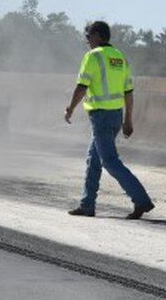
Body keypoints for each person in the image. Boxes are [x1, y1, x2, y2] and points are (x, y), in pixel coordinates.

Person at [64, 21, 155, 219]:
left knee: (110, 162)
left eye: (88, 35)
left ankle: (141, 200)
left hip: (101, 116)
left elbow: (82, 86)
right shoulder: (119, 57)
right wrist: (128, 120)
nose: (86, 40)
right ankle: (87, 205)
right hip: (116, 115)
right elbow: (128, 92)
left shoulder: (93, 56)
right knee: (93, 160)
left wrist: (70, 108)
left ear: (97, 35)